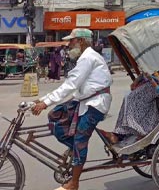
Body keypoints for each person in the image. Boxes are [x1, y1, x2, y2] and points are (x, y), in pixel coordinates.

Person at [31, 28, 112, 190]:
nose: (68, 45)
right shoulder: (85, 57)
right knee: (56, 115)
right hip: (84, 99)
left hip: (95, 103)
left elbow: (71, 84)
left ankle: (74, 183)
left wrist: (46, 102)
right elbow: (71, 85)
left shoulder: (88, 58)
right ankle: (75, 150)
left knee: (80, 140)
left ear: (81, 41)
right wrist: (44, 99)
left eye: (71, 41)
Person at [97, 76, 159, 145]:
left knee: (132, 97)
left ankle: (141, 130)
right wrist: (137, 81)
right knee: (127, 97)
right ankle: (120, 134)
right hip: (150, 81)